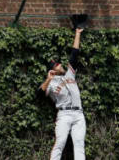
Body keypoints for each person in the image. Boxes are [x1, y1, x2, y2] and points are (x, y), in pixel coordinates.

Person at [40, 26, 86, 160]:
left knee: (79, 145)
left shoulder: (70, 74)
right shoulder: (51, 83)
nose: (60, 65)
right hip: (64, 114)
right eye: (56, 65)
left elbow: (74, 54)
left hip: (78, 114)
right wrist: (48, 79)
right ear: (52, 70)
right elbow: (39, 94)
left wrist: (77, 33)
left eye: (59, 64)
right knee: (59, 143)